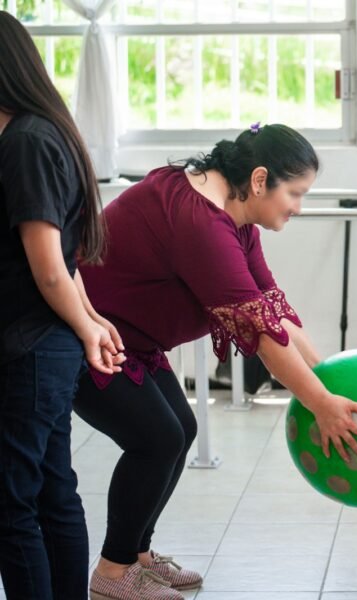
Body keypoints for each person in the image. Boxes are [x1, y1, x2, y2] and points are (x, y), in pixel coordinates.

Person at [73, 123, 357, 600]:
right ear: (259, 180)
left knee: (180, 431)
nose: (298, 207)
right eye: (294, 193)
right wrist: (320, 403)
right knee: (157, 439)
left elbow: (271, 309)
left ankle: (138, 557)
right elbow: (261, 336)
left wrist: (328, 378)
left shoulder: (233, 217)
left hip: (130, 338)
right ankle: (112, 574)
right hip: (82, 335)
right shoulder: (199, 223)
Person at [0, 11, 124, 600]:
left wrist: (84, 325)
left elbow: (49, 265)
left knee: (12, 503)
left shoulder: (25, 141)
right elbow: (66, 263)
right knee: (51, 493)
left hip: (29, 346)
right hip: (44, 344)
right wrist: (90, 322)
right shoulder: (41, 132)